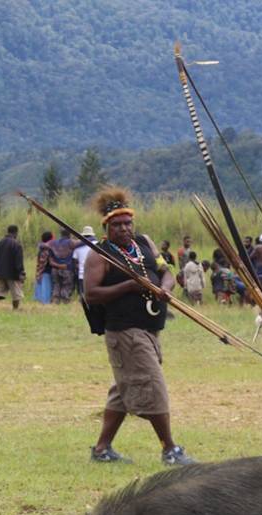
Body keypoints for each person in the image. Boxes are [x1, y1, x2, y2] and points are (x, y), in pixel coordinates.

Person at [83, 186, 193, 466]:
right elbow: (92, 293)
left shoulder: (145, 242)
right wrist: (129, 286)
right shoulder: (100, 255)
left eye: (127, 223)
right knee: (152, 384)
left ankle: (101, 448)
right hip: (124, 331)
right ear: (106, 227)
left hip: (151, 328)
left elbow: (166, 271)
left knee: (124, 389)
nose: (123, 229)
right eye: (117, 225)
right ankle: (170, 449)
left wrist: (165, 289)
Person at [0, 224, 26, 311]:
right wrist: (21, 273)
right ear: (16, 233)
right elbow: (18, 261)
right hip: (12, 274)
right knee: (16, 294)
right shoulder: (16, 244)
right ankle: (15, 310)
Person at [49, 227, 79, 304]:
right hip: (67, 268)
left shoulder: (53, 243)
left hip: (55, 269)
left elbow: (49, 256)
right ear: (69, 234)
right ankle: (65, 302)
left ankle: (55, 301)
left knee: (56, 285)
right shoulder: (71, 242)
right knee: (67, 286)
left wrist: (56, 265)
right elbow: (83, 243)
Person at [74, 225, 96, 306]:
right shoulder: (98, 245)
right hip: (95, 274)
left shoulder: (78, 246)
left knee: (82, 294)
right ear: (92, 235)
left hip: (82, 274)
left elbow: (75, 261)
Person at [34, 230, 54, 304]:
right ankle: (46, 304)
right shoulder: (47, 249)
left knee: (42, 290)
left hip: (41, 271)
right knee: (46, 291)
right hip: (46, 271)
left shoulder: (41, 248)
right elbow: (48, 261)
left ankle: (43, 304)